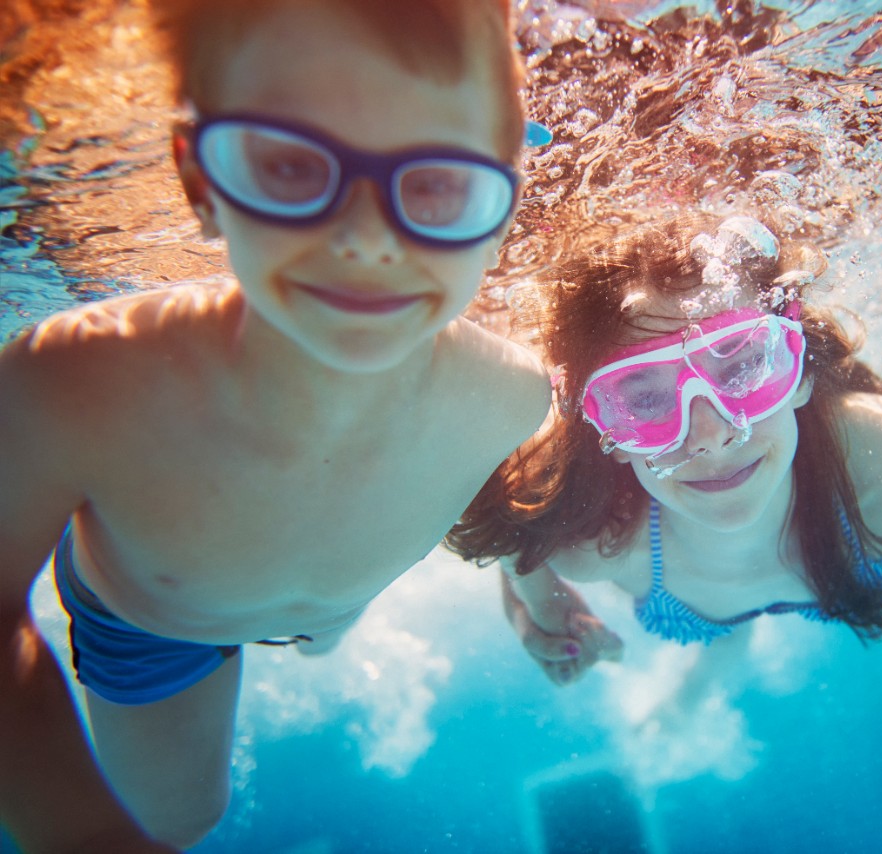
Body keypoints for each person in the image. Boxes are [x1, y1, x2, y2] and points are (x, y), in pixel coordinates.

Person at [0, 0, 550, 848]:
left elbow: (514, 505)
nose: (367, 239)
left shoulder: (515, 397)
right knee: (183, 817)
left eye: (438, 184)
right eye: (291, 168)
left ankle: (321, 631)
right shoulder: (69, 386)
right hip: (159, 622)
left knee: (322, 632)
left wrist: (531, 591)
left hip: (328, 603)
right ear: (201, 185)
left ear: (505, 211)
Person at [449, 215, 882, 693]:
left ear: (799, 371)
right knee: (726, 641)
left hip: (766, 564)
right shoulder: (594, 548)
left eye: (743, 365)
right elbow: (520, 529)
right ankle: (690, 698)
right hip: (698, 601)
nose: (709, 436)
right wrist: (538, 609)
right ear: (603, 431)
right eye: (645, 397)